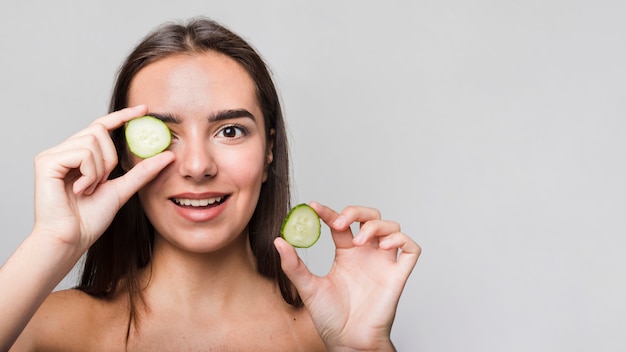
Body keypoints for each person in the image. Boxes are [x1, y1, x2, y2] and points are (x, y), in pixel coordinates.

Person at [0, 17, 421, 351]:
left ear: (269, 149)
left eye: (230, 131)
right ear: (125, 155)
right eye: (166, 134)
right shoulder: (42, 329)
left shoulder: (331, 333)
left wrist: (360, 349)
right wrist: (52, 242)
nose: (198, 166)